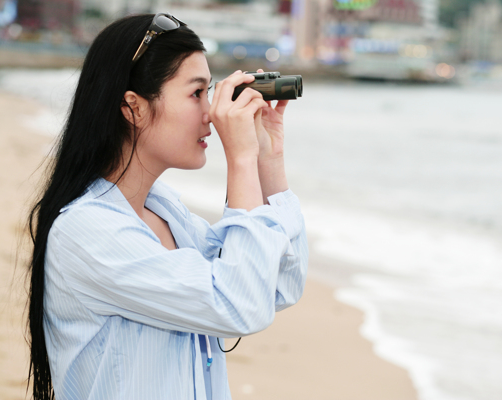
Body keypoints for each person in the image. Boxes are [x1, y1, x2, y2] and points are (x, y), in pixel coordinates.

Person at [25, 13, 308, 400]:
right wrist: (239, 160)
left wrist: (266, 159)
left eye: (210, 93)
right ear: (133, 107)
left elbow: (277, 285)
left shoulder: (164, 210)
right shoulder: (87, 231)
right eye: (196, 94)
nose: (210, 113)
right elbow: (239, 304)